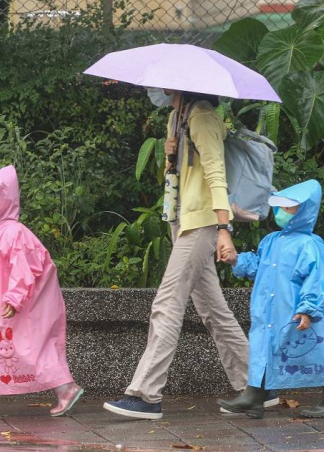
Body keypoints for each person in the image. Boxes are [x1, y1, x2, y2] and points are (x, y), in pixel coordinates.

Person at [103, 88, 276, 420]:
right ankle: (259, 386)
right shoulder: (177, 118)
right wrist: (171, 156)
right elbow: (180, 179)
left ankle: (146, 394)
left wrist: (224, 229)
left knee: (167, 303)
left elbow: (216, 175)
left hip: (202, 223)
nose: (160, 88)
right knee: (214, 310)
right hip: (182, 221)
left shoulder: (203, 118)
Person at [0, 165, 83, 418]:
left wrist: (13, 298)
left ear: (3, 197)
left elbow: (25, 268)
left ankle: (66, 389)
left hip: (12, 306)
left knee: (29, 349)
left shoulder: (14, 232)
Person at [217, 180, 324, 419]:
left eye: (289, 207)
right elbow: (259, 266)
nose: (281, 211)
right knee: (264, 347)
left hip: (299, 310)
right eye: (280, 206)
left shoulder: (310, 244)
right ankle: (254, 396)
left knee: (323, 348)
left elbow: (319, 278)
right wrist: (237, 259)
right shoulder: (271, 240)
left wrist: (308, 308)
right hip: (272, 310)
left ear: (304, 211)